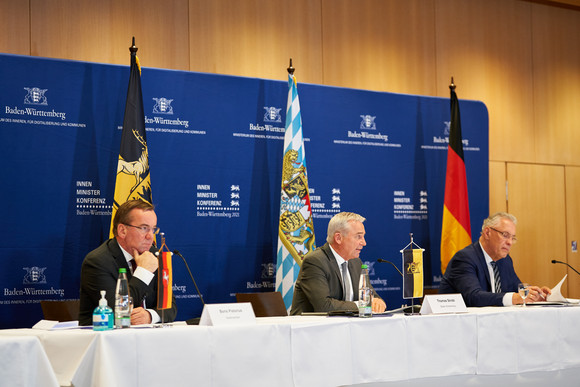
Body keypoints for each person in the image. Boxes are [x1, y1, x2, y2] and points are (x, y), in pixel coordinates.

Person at [79, 200, 177, 325]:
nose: (150, 236)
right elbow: (117, 311)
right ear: (122, 231)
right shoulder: (97, 261)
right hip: (106, 338)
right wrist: (144, 272)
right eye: (144, 228)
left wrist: (150, 316)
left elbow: (170, 306)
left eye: (153, 229)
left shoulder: (154, 255)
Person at [439, 212, 551, 307]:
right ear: (487, 233)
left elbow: (517, 288)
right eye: (505, 235)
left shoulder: (505, 261)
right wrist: (515, 298)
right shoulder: (465, 259)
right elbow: (474, 297)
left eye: (513, 238)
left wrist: (535, 294)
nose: (510, 242)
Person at [290, 212, 387, 315]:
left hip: (344, 327)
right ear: (338, 238)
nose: (364, 242)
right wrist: (363, 305)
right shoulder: (315, 261)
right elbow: (324, 306)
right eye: (358, 236)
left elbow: (371, 296)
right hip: (310, 328)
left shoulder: (356, 262)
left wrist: (378, 302)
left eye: (363, 236)